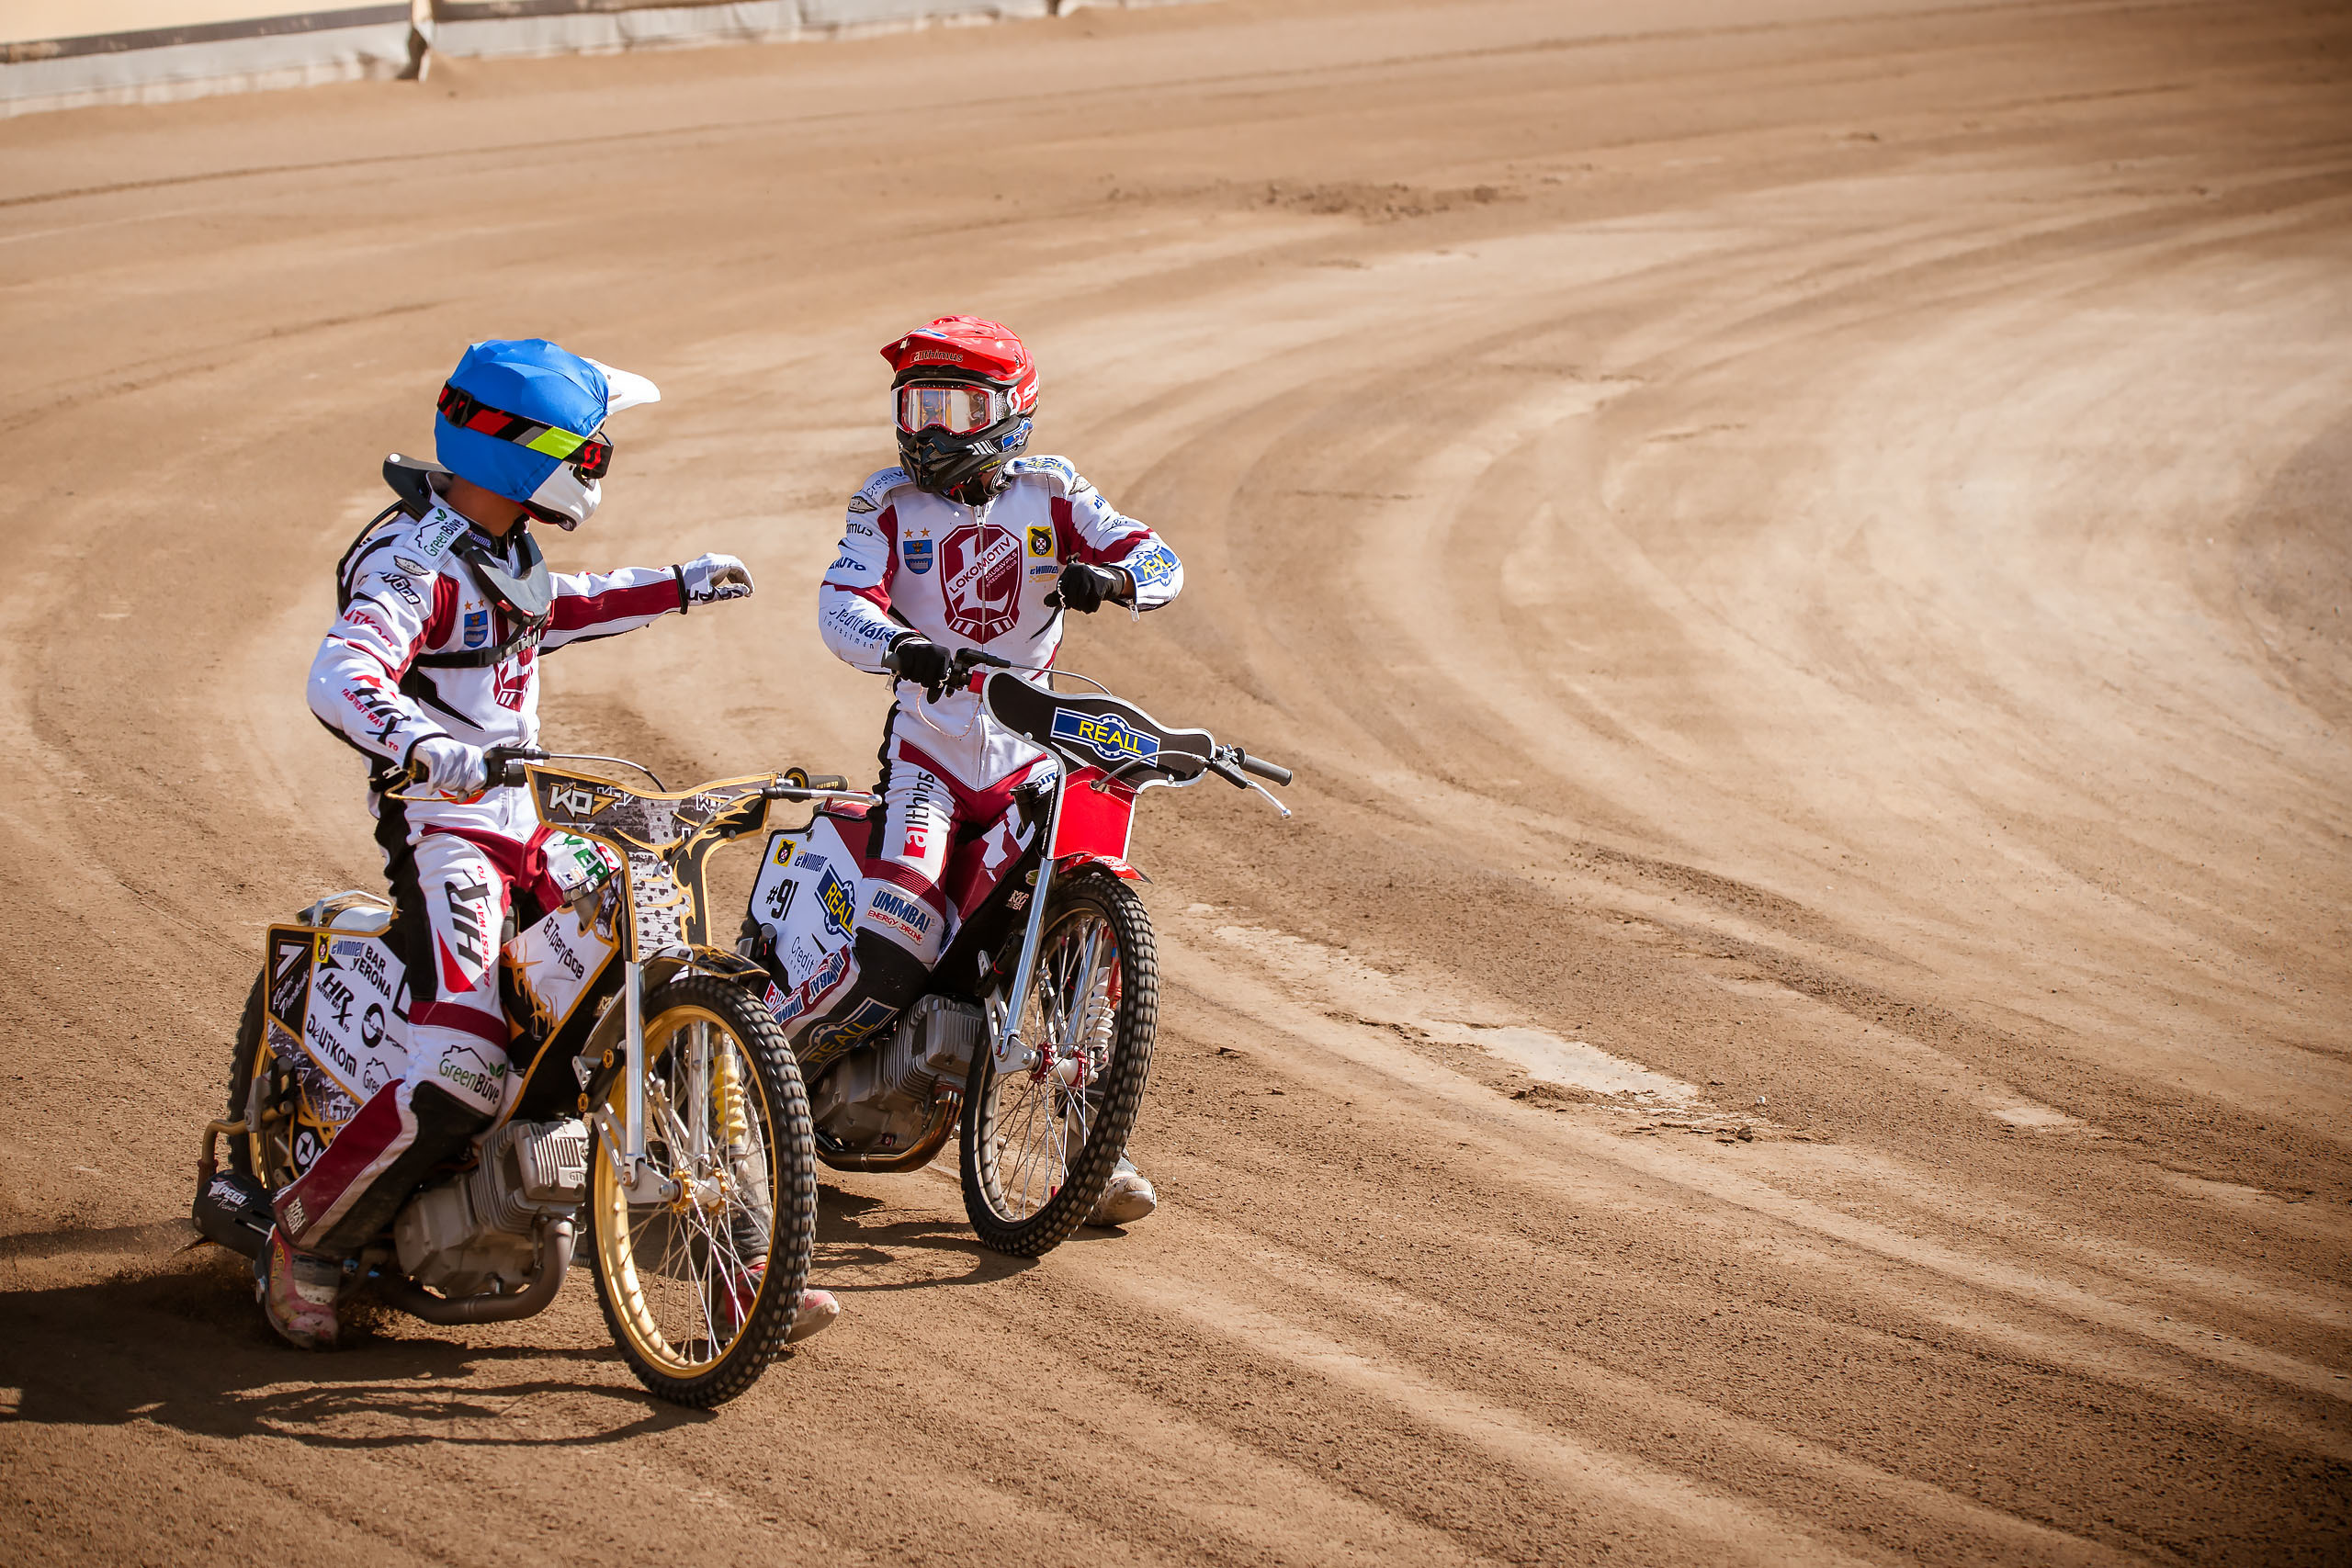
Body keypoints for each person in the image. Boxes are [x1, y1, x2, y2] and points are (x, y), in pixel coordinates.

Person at [265, 338, 839, 1350]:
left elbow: (551, 614)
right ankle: (302, 1241)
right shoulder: (414, 561)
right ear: (524, 450)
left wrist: (676, 585)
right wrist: (429, 747)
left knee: (652, 958)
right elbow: (340, 676)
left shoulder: (501, 543)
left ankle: (747, 1269)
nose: (594, 467)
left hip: (532, 820)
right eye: (589, 448)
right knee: (465, 1064)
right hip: (448, 833)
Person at [798, 315, 1183, 1226]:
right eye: (916, 406)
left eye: (955, 406)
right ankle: (759, 1085)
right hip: (929, 760)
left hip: (1027, 758)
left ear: (1011, 412)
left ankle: (1093, 1143)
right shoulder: (884, 501)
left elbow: (1158, 555)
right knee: (896, 939)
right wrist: (902, 648)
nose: (930, 429)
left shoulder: (1053, 492)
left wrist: (1121, 582)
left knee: (1067, 928)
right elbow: (838, 601)